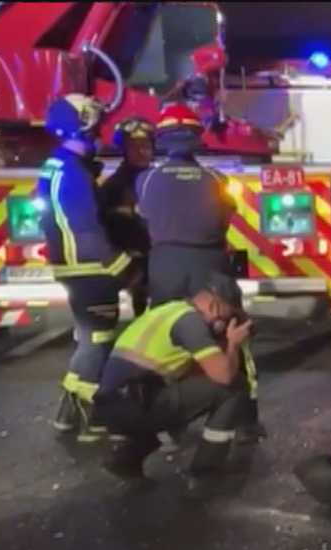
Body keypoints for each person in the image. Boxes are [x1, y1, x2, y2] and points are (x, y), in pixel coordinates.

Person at [136, 103, 265, 442]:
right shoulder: (216, 180)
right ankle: (244, 420)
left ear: (161, 137)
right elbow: (226, 217)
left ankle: (165, 426)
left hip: (165, 267)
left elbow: (143, 219)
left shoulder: (146, 179)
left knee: (169, 341)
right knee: (232, 335)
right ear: (197, 135)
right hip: (210, 268)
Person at [93, 272, 254, 495]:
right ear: (216, 306)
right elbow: (223, 376)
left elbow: (195, 373)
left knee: (184, 397)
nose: (229, 323)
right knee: (234, 387)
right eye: (230, 315)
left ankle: (126, 458)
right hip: (136, 402)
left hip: (113, 404)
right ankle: (205, 473)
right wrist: (233, 345)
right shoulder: (191, 323)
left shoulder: (170, 311)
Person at [40, 94, 135, 440]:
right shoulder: (72, 173)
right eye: (93, 120)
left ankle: (68, 416)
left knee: (88, 341)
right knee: (97, 343)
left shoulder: (61, 165)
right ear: (78, 123)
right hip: (89, 268)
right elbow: (83, 226)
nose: (98, 128)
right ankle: (92, 419)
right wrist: (120, 265)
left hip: (76, 268)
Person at [99, 117, 155, 316]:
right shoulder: (113, 187)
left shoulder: (161, 181)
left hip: (159, 260)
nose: (141, 152)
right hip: (129, 263)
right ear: (124, 151)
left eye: (146, 146)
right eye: (134, 147)